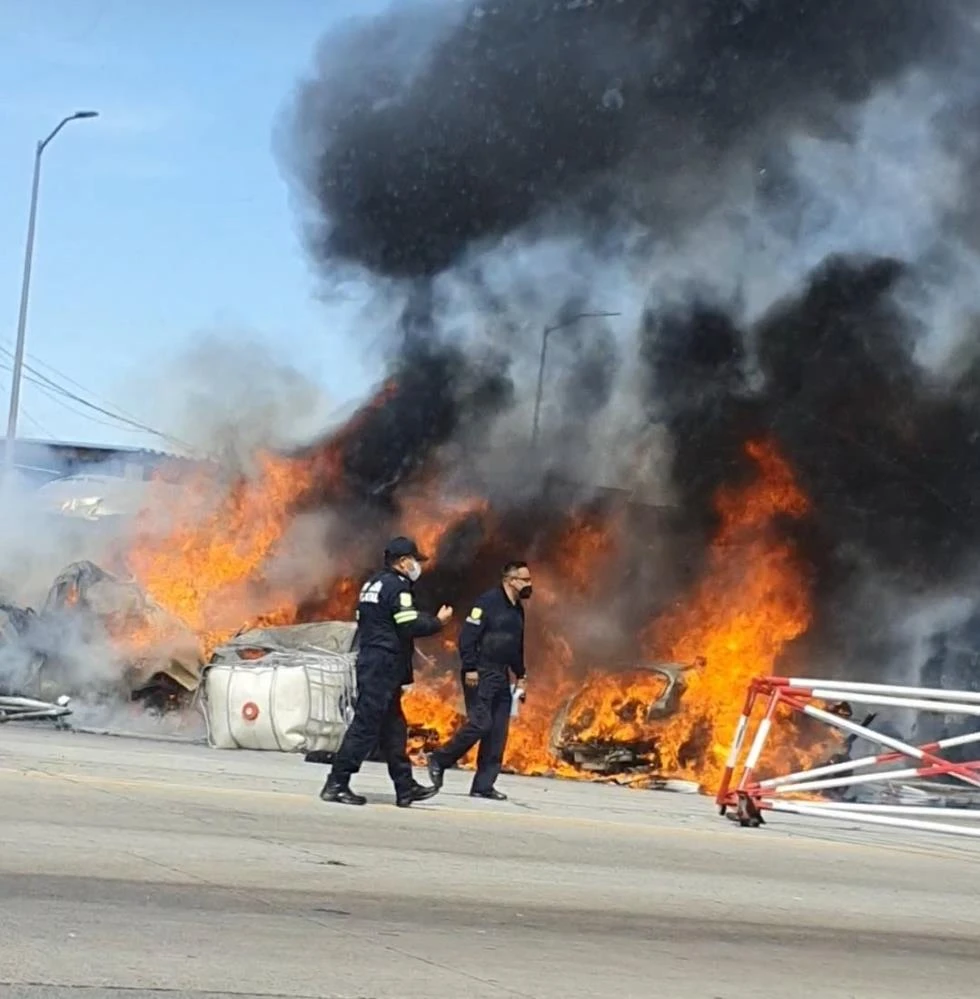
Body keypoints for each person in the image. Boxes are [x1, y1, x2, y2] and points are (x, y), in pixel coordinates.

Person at [321, 537, 453, 807]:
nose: (417, 566)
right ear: (403, 562)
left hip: (375, 662)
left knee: (394, 727)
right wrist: (437, 622)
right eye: (415, 560)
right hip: (383, 665)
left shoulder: (373, 583)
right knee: (364, 726)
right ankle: (336, 783)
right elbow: (407, 623)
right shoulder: (398, 586)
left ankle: (405, 788)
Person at [427, 560, 531, 800]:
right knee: (481, 723)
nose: (529, 584)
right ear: (510, 580)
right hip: (480, 672)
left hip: (501, 674)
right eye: (525, 580)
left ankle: (483, 786)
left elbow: (516, 645)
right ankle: (440, 759)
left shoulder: (517, 609)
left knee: (497, 732)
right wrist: (470, 667)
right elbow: (467, 637)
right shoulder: (487, 603)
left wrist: (521, 674)